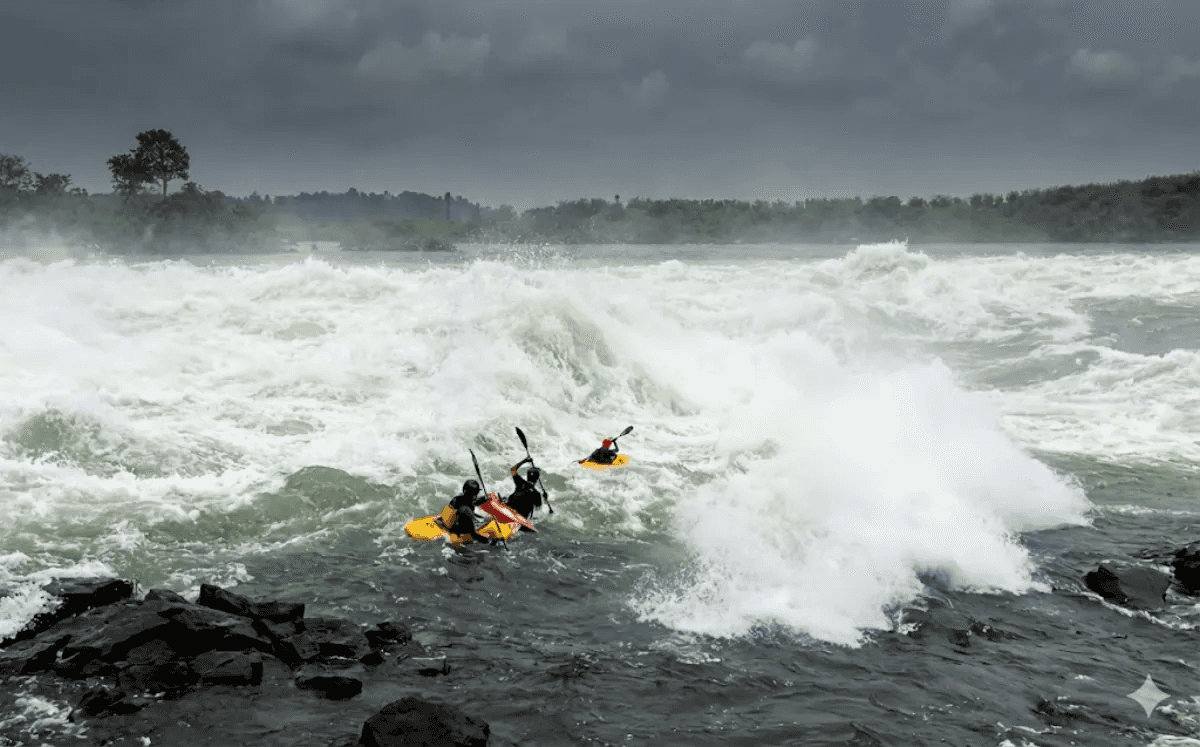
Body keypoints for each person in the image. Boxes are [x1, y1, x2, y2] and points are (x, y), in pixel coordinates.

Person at [437, 479, 495, 545]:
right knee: (487, 539)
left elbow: (472, 503)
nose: (475, 496)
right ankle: (489, 542)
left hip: (452, 523)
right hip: (458, 529)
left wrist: (484, 500)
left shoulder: (460, 498)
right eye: (474, 494)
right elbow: (474, 518)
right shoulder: (464, 506)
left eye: (476, 494)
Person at [505, 457, 544, 523]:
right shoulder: (537, 494)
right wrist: (545, 498)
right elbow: (538, 509)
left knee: (508, 498)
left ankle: (504, 503)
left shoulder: (520, 482)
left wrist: (524, 461)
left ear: (527, 476)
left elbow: (512, 470)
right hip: (520, 517)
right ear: (537, 479)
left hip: (510, 508)